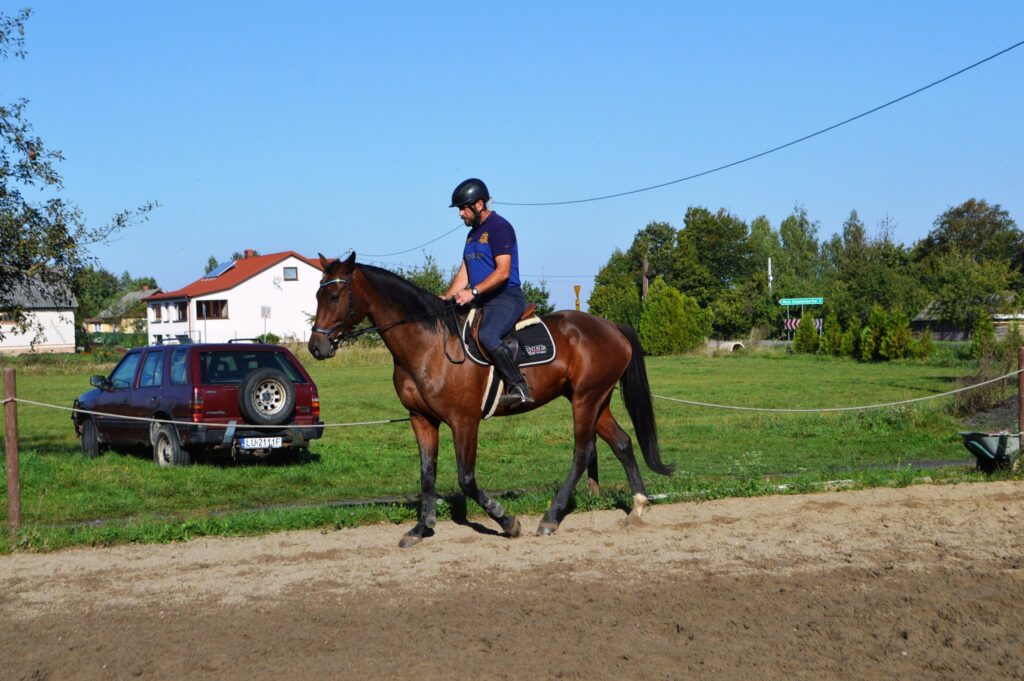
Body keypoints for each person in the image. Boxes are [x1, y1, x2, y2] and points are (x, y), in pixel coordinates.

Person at [441, 178, 534, 407]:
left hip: (506, 297)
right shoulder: (472, 235)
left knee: (488, 335)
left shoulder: (500, 227)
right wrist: (445, 298)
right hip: (481, 299)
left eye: (463, 208)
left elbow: (503, 272)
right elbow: (464, 272)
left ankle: (519, 387)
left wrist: (472, 291)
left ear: (479, 204)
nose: (460, 214)